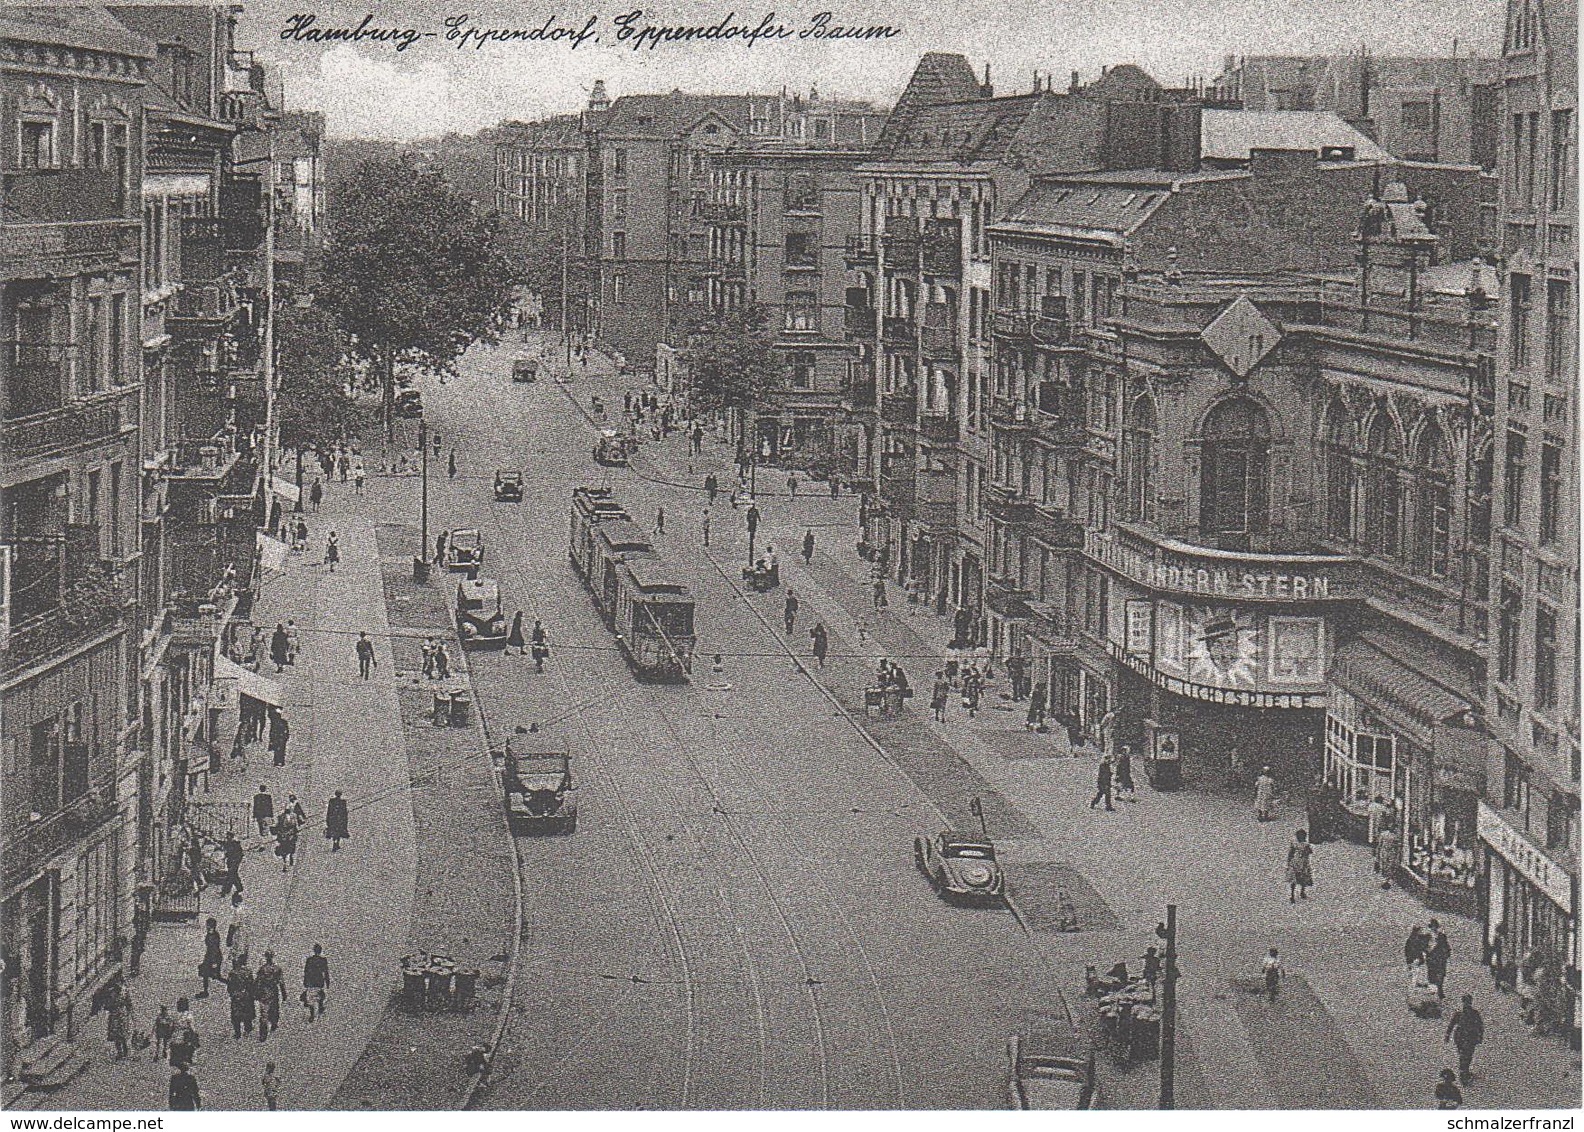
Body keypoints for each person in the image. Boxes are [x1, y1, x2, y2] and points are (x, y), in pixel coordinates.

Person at [1445, 994, 1485, 1083]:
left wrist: (1480, 1036)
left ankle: (1464, 1072)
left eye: (1468, 1002)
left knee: (1466, 1056)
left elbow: (1480, 1026)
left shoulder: (1472, 1014)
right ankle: (1464, 1073)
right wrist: (1447, 1035)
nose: (1467, 1004)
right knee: (1465, 1056)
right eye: (1465, 1002)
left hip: (1467, 1038)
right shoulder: (1462, 1014)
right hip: (1464, 1038)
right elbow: (1451, 1025)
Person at [254, 951, 285, 1042]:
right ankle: (274, 1023)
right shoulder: (277, 969)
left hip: (264, 992)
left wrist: (255, 993)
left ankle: (263, 1033)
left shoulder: (262, 969)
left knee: (264, 1012)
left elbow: (257, 981)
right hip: (274, 992)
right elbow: (281, 982)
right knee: (274, 1009)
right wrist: (284, 993)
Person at [228, 958, 257, 1039]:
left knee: (236, 1014)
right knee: (247, 1012)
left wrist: (232, 994)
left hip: (236, 995)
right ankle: (247, 1029)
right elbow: (251, 984)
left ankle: (237, 1033)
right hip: (246, 995)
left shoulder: (232, 973)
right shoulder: (248, 971)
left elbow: (229, 987)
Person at [105, 978, 132, 1059]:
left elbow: (108, 1006)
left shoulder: (114, 996)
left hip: (116, 1017)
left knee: (117, 1035)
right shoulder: (123, 994)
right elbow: (129, 1004)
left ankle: (121, 1052)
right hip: (121, 1016)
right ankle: (124, 1051)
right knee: (121, 1035)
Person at [303, 944, 330, 1021]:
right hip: (319, 980)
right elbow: (326, 972)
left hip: (311, 980)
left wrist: (305, 981)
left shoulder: (309, 960)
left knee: (310, 997)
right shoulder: (323, 960)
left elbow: (306, 972)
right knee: (319, 993)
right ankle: (320, 1005)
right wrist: (327, 982)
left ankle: (312, 1014)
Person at [198, 917, 224, 998]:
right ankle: (205, 991)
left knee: (216, 976)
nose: (206, 926)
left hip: (213, 957)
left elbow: (214, 949)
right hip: (210, 957)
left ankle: (232, 984)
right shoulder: (211, 934)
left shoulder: (213, 936)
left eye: (207, 925)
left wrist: (214, 962)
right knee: (206, 974)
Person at [1427, 920, 1453, 1000]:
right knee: (1432, 974)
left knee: (1441, 974)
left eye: (1435, 926)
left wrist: (1447, 954)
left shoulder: (1442, 936)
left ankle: (1440, 989)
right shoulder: (1427, 937)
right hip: (1431, 958)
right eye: (1432, 926)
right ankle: (1433, 989)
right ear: (1430, 927)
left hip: (1440, 958)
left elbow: (1446, 946)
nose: (1434, 928)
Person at [1286, 828, 1314, 902]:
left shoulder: (1302, 844)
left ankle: (1300, 892)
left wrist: (1289, 862)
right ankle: (1294, 894)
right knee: (1297, 878)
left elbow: (1291, 854)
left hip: (1301, 863)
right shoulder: (1299, 844)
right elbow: (1291, 853)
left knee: (1301, 877)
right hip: (1297, 863)